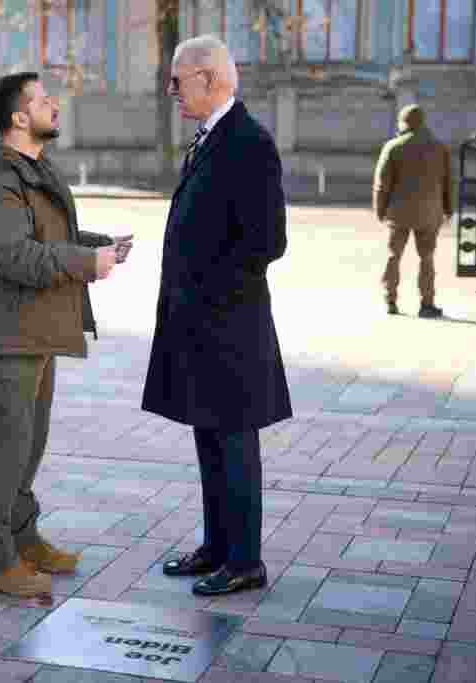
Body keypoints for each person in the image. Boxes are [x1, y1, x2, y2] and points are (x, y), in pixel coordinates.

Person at [0, 72, 132, 597]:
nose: (55, 103)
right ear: (18, 117)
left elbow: (46, 236)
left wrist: (98, 246)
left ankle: (22, 538)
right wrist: (85, 263)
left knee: (27, 445)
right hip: (10, 332)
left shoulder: (30, 169)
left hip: (38, 326)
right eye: (42, 98)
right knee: (4, 446)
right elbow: (14, 255)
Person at [142, 35, 291, 597]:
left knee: (233, 442)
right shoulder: (212, 137)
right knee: (209, 435)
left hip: (229, 325)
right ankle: (217, 546)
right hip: (202, 323)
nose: (172, 90)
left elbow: (267, 241)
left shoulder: (248, 142)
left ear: (210, 79)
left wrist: (207, 287)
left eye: (178, 80)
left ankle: (246, 559)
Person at [373, 104, 453, 318]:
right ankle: (427, 304)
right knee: (426, 258)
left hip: (399, 212)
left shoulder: (393, 147)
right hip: (429, 212)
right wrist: (448, 208)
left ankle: (390, 300)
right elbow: (448, 182)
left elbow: (382, 183)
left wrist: (379, 209)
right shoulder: (439, 148)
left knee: (393, 256)